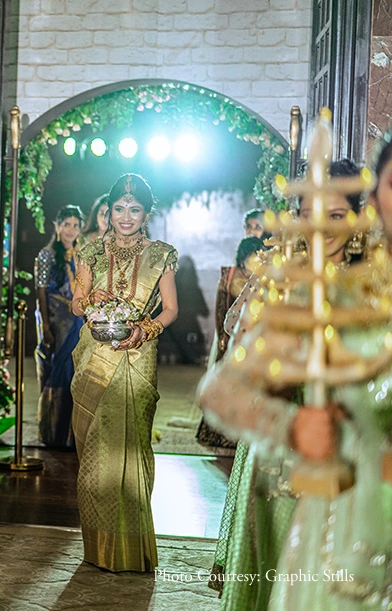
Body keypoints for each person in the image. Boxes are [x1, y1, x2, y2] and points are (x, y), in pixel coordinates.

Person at [198, 153, 388, 610]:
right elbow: (221, 389)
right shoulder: (317, 295)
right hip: (347, 515)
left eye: (336, 215)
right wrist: (293, 426)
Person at [70, 173, 179, 572]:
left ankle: (131, 548)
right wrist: (88, 300)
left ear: (147, 213)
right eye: (119, 209)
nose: (126, 217)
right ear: (109, 211)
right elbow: (76, 303)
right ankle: (98, 547)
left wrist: (144, 330)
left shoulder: (162, 254)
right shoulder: (90, 251)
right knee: (95, 450)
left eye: (135, 209)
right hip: (94, 355)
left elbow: (171, 309)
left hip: (138, 355)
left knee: (133, 448)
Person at [195, 236, 265, 447]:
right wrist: (224, 340)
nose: (254, 262)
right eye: (250, 257)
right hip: (231, 335)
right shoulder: (231, 276)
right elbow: (222, 308)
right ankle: (219, 433)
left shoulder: (264, 278)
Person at [35, 205, 84, 449]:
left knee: (75, 372)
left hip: (77, 319)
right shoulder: (47, 255)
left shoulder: (81, 255)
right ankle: (54, 433)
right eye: (66, 224)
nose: (70, 230)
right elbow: (41, 291)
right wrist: (45, 325)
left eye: (75, 225)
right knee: (58, 371)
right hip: (56, 319)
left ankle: (72, 437)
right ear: (57, 226)